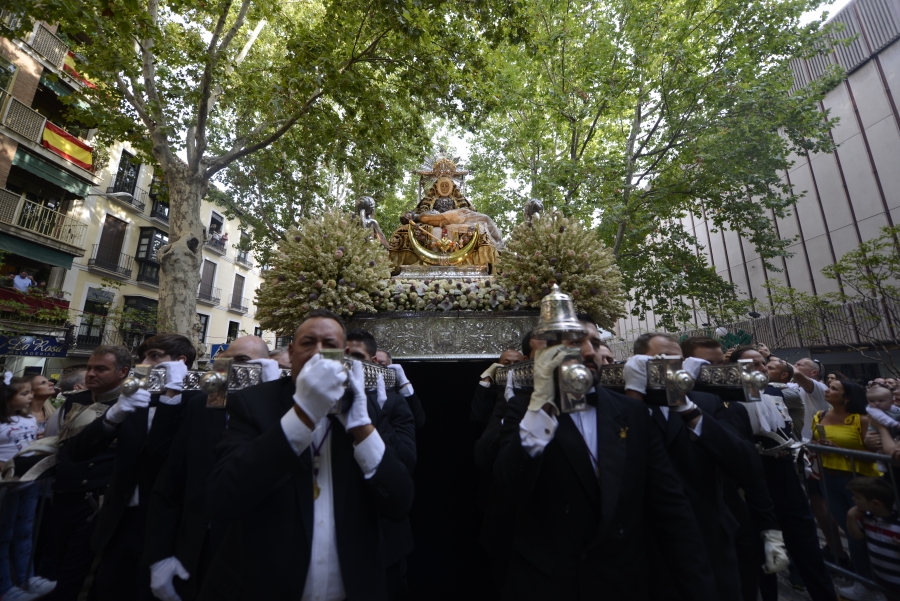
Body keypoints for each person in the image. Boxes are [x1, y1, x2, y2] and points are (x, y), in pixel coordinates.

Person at [199, 310, 415, 601]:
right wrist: (303, 414)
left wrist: (362, 429)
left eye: (329, 344)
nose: (317, 353)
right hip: (263, 586)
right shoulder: (253, 404)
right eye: (307, 343)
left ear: (345, 354)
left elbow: (399, 502)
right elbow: (223, 497)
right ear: (291, 350)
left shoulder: (366, 407)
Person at [494, 330, 720, 600]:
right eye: (576, 343)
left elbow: (670, 507)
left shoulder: (631, 412)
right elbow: (510, 487)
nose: (591, 352)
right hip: (549, 582)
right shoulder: (525, 408)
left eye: (596, 343)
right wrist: (543, 405)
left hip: (620, 581)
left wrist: (700, 588)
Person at [626, 334, 787, 601]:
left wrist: (686, 408)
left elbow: (747, 465)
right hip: (648, 545)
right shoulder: (623, 404)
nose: (671, 368)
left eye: (677, 361)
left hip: (710, 539)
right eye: (662, 360)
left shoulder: (708, 403)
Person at [145, 336, 279, 601]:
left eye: (243, 361)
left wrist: (271, 397)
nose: (232, 368)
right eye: (225, 361)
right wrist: (158, 557)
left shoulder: (282, 409)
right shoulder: (203, 406)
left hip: (259, 555)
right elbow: (171, 481)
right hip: (199, 551)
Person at [65, 334, 195, 601]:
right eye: (143, 357)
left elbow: (165, 458)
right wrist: (112, 417)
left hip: (166, 530)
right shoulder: (134, 400)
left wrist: (171, 399)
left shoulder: (197, 406)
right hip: (120, 523)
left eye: (155, 356)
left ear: (180, 362)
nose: (145, 363)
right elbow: (77, 452)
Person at [728, 347, 837, 601]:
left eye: (763, 363)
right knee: (765, 552)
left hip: (787, 474)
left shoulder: (776, 391)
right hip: (755, 482)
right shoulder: (727, 399)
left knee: (806, 546)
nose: (762, 368)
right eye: (754, 364)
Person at [42, 346, 131, 601]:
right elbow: (54, 441)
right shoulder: (74, 400)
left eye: (100, 369)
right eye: (89, 368)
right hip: (62, 496)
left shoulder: (129, 405)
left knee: (79, 576)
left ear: (122, 372)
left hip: (97, 502)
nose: (91, 374)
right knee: (57, 563)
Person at [811, 379, 882, 601]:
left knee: (869, 531)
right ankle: (864, 582)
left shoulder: (861, 419)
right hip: (829, 479)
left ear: (847, 397)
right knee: (850, 530)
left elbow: (872, 448)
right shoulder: (820, 416)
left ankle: (877, 581)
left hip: (859, 479)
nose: (828, 391)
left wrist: (840, 449)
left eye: (833, 389)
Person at [0, 375, 54, 601]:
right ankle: (5, 587)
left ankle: (26, 578)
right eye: (24, 393)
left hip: (30, 481)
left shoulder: (29, 420)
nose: (30, 395)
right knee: (4, 535)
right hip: (6, 484)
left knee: (25, 532)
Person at [847, 478, 900, 601]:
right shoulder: (867, 518)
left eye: (857, 497)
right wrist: (851, 517)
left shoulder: (897, 525)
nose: (853, 500)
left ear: (876, 504)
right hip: (883, 580)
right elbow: (857, 536)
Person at [793, 358, 830, 440]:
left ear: (814, 372)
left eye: (799, 365)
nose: (795, 367)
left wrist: (771, 356)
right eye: (795, 364)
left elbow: (796, 373)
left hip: (812, 444)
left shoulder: (820, 387)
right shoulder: (793, 386)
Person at [766, 359, 804, 440]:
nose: (765, 370)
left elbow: (762, 396)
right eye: (765, 367)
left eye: (770, 368)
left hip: (789, 447)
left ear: (783, 375)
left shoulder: (792, 394)